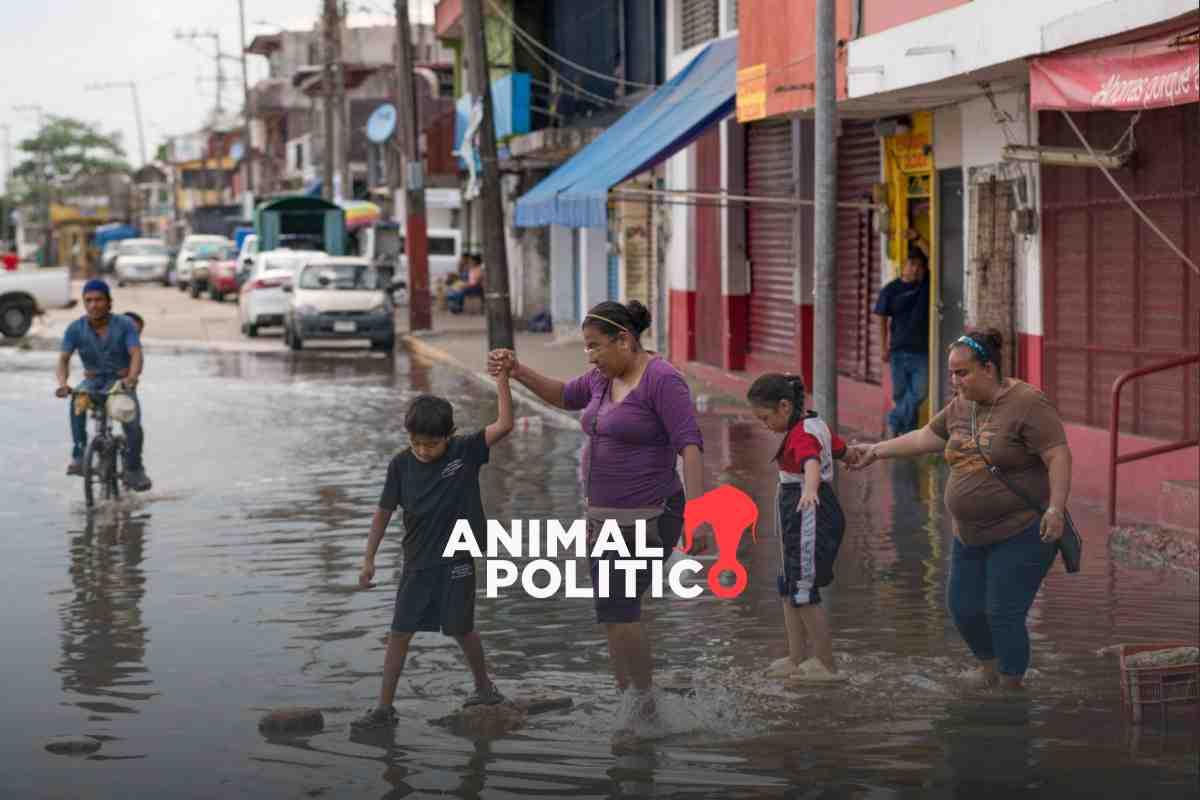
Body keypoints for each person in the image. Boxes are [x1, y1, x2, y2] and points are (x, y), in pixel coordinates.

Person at [487, 300, 711, 732]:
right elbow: (562, 394)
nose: (589, 357)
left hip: (651, 514)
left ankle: (646, 708)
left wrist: (698, 519)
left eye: (595, 347)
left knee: (621, 607)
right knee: (610, 614)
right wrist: (518, 370)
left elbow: (690, 446)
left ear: (624, 340)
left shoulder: (663, 381)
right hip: (602, 520)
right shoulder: (600, 380)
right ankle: (629, 700)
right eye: (586, 349)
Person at [847, 329, 1073, 690]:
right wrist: (876, 450)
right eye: (952, 373)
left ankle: (1012, 690)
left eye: (962, 372)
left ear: (988, 368)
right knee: (964, 610)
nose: (955, 380)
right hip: (969, 536)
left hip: (1022, 530)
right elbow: (926, 437)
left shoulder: (1028, 403)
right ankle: (990, 670)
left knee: (1003, 612)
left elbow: (1057, 454)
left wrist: (1056, 509)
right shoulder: (960, 405)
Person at [351, 367, 515, 730]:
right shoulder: (400, 465)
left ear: (449, 436)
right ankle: (384, 707)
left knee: (461, 628)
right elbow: (383, 512)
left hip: (457, 559)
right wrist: (368, 558)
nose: (423, 451)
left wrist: (503, 379)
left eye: (432, 444)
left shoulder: (465, 451)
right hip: (417, 563)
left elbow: (504, 424)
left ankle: (484, 688)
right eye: (417, 443)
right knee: (399, 631)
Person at [747, 373, 849, 682]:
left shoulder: (803, 433)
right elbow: (840, 448)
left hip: (807, 511)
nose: (766, 425)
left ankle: (826, 664)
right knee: (788, 582)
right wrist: (855, 455)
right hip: (795, 511)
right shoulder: (814, 423)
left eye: (766, 418)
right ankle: (797, 656)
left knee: (803, 587)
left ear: (784, 406)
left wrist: (809, 490)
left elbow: (811, 462)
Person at [54, 279, 152, 492]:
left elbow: (136, 353)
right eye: (88, 300)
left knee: (132, 423)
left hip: (120, 383)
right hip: (93, 382)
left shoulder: (125, 325)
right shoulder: (75, 329)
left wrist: (132, 378)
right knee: (77, 400)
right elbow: (63, 359)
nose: (93, 305)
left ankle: (135, 468)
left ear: (109, 302)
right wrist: (63, 384)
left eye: (99, 300)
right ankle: (79, 455)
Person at [873, 230, 930, 436]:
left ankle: (893, 420)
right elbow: (881, 317)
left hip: (921, 351)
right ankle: (908, 435)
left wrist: (917, 238)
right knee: (900, 394)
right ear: (903, 266)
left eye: (919, 265)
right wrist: (883, 347)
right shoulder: (890, 290)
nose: (915, 269)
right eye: (911, 264)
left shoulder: (925, 285)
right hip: (897, 351)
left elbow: (934, 256)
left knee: (919, 393)